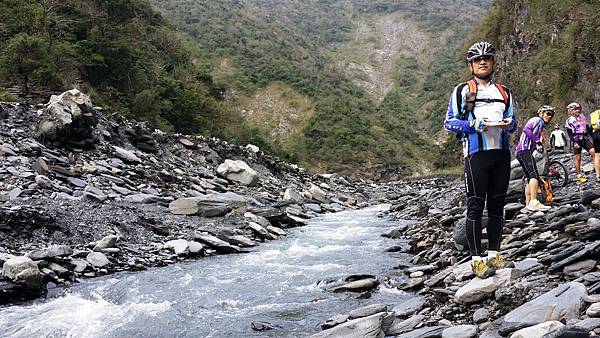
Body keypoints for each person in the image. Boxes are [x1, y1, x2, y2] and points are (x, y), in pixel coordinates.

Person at [444, 41, 517, 279]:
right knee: (475, 206)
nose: (482, 62)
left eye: (487, 58)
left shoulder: (504, 91)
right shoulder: (462, 91)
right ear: (471, 65)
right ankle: (476, 260)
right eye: (477, 60)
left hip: (501, 154)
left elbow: (513, 121)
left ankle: (494, 254)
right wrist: (473, 125)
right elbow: (450, 122)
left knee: (497, 207)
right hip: (476, 155)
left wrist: (510, 125)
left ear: (494, 62)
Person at [515, 106, 555, 211]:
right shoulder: (536, 120)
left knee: (530, 177)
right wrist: (537, 141)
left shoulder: (540, 125)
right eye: (547, 113)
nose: (549, 116)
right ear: (541, 113)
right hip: (524, 150)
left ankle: (528, 205)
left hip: (522, 151)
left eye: (551, 115)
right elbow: (526, 129)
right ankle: (534, 201)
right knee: (533, 175)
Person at [565, 102, 597, 183]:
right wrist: (574, 141)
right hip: (576, 139)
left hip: (585, 138)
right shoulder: (569, 120)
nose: (578, 110)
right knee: (578, 157)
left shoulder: (583, 117)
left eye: (579, 108)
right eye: (576, 109)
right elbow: (569, 133)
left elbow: (588, 128)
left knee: (593, 152)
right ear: (571, 111)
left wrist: (593, 137)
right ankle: (579, 175)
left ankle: (597, 169)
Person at [590, 108, 600, 182]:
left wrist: (593, 136)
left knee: (597, 155)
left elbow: (590, 128)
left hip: (596, 134)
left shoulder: (595, 114)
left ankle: (598, 176)